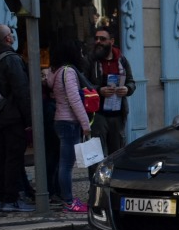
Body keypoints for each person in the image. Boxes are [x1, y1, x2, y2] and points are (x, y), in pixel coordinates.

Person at [0, 24, 34, 212]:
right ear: (7, 38)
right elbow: (21, 91)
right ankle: (11, 199)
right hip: (12, 116)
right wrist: (29, 119)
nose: (12, 37)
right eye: (11, 34)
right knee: (13, 158)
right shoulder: (11, 58)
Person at [45, 41, 92, 213]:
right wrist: (85, 124)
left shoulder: (55, 71)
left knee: (62, 163)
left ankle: (66, 199)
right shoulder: (69, 72)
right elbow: (74, 100)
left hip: (60, 120)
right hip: (69, 122)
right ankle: (69, 202)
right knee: (66, 164)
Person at [86, 27, 135, 157]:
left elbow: (131, 81)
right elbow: (83, 85)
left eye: (102, 39)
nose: (98, 41)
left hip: (117, 115)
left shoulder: (122, 60)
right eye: (96, 38)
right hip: (97, 115)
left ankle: (113, 177)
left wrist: (127, 89)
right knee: (96, 155)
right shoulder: (90, 60)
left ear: (111, 41)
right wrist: (99, 90)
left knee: (116, 154)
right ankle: (96, 178)